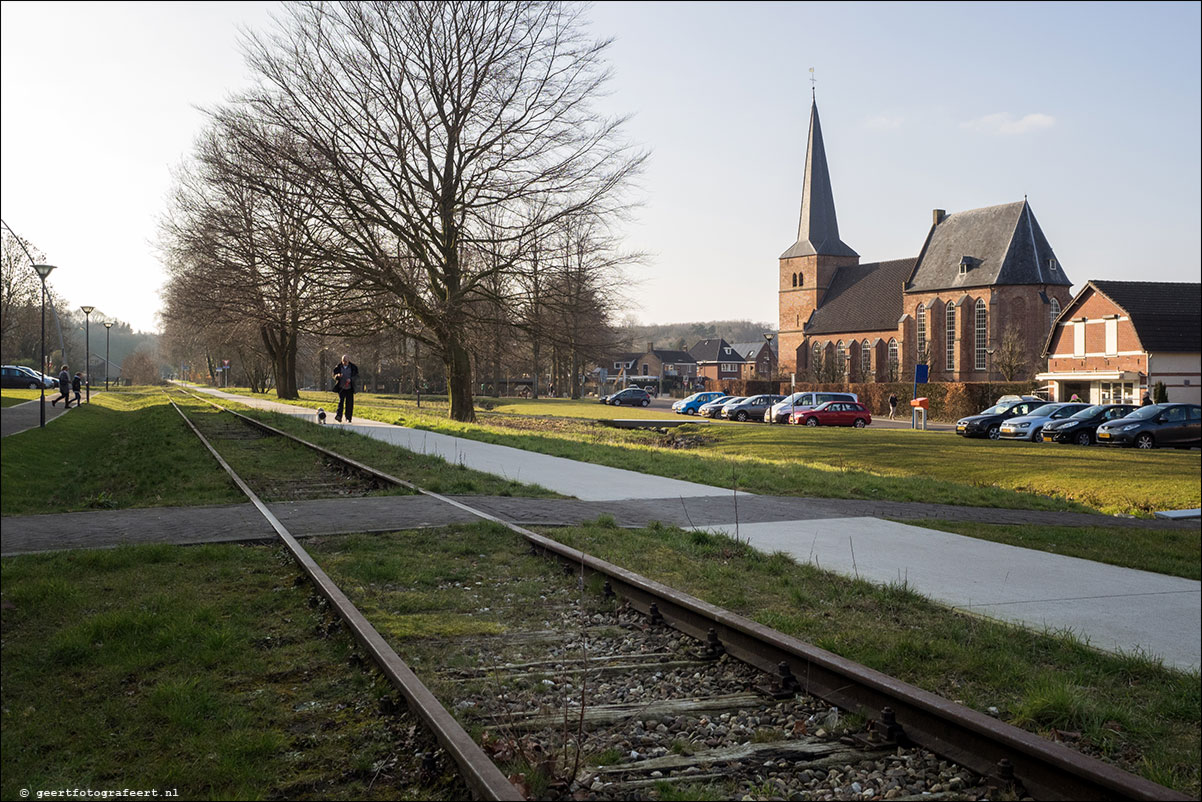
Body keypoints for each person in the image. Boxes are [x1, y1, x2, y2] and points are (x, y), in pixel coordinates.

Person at [332, 354, 358, 422]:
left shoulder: (353, 367)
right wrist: (338, 376)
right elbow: (334, 375)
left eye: (346, 361)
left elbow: (356, 376)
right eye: (343, 361)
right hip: (341, 387)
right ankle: (339, 416)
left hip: (350, 388)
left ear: (348, 360)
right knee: (341, 402)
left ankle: (348, 418)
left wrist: (351, 379)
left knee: (349, 404)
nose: (344, 362)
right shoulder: (338, 367)